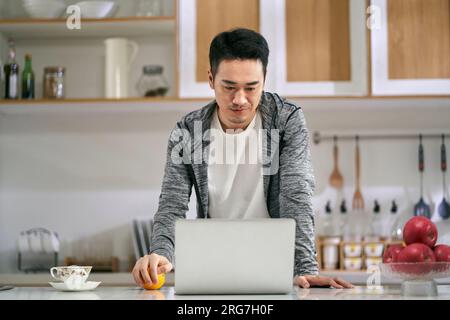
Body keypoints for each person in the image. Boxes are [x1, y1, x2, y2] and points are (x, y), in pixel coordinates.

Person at [132, 28, 353, 289]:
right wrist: (161, 254)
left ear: (264, 79)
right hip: (211, 270)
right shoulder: (189, 131)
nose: (240, 99)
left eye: (251, 87)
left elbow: (296, 193)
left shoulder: (285, 120)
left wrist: (306, 267)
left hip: (276, 269)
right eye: (228, 87)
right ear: (211, 79)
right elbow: (172, 202)